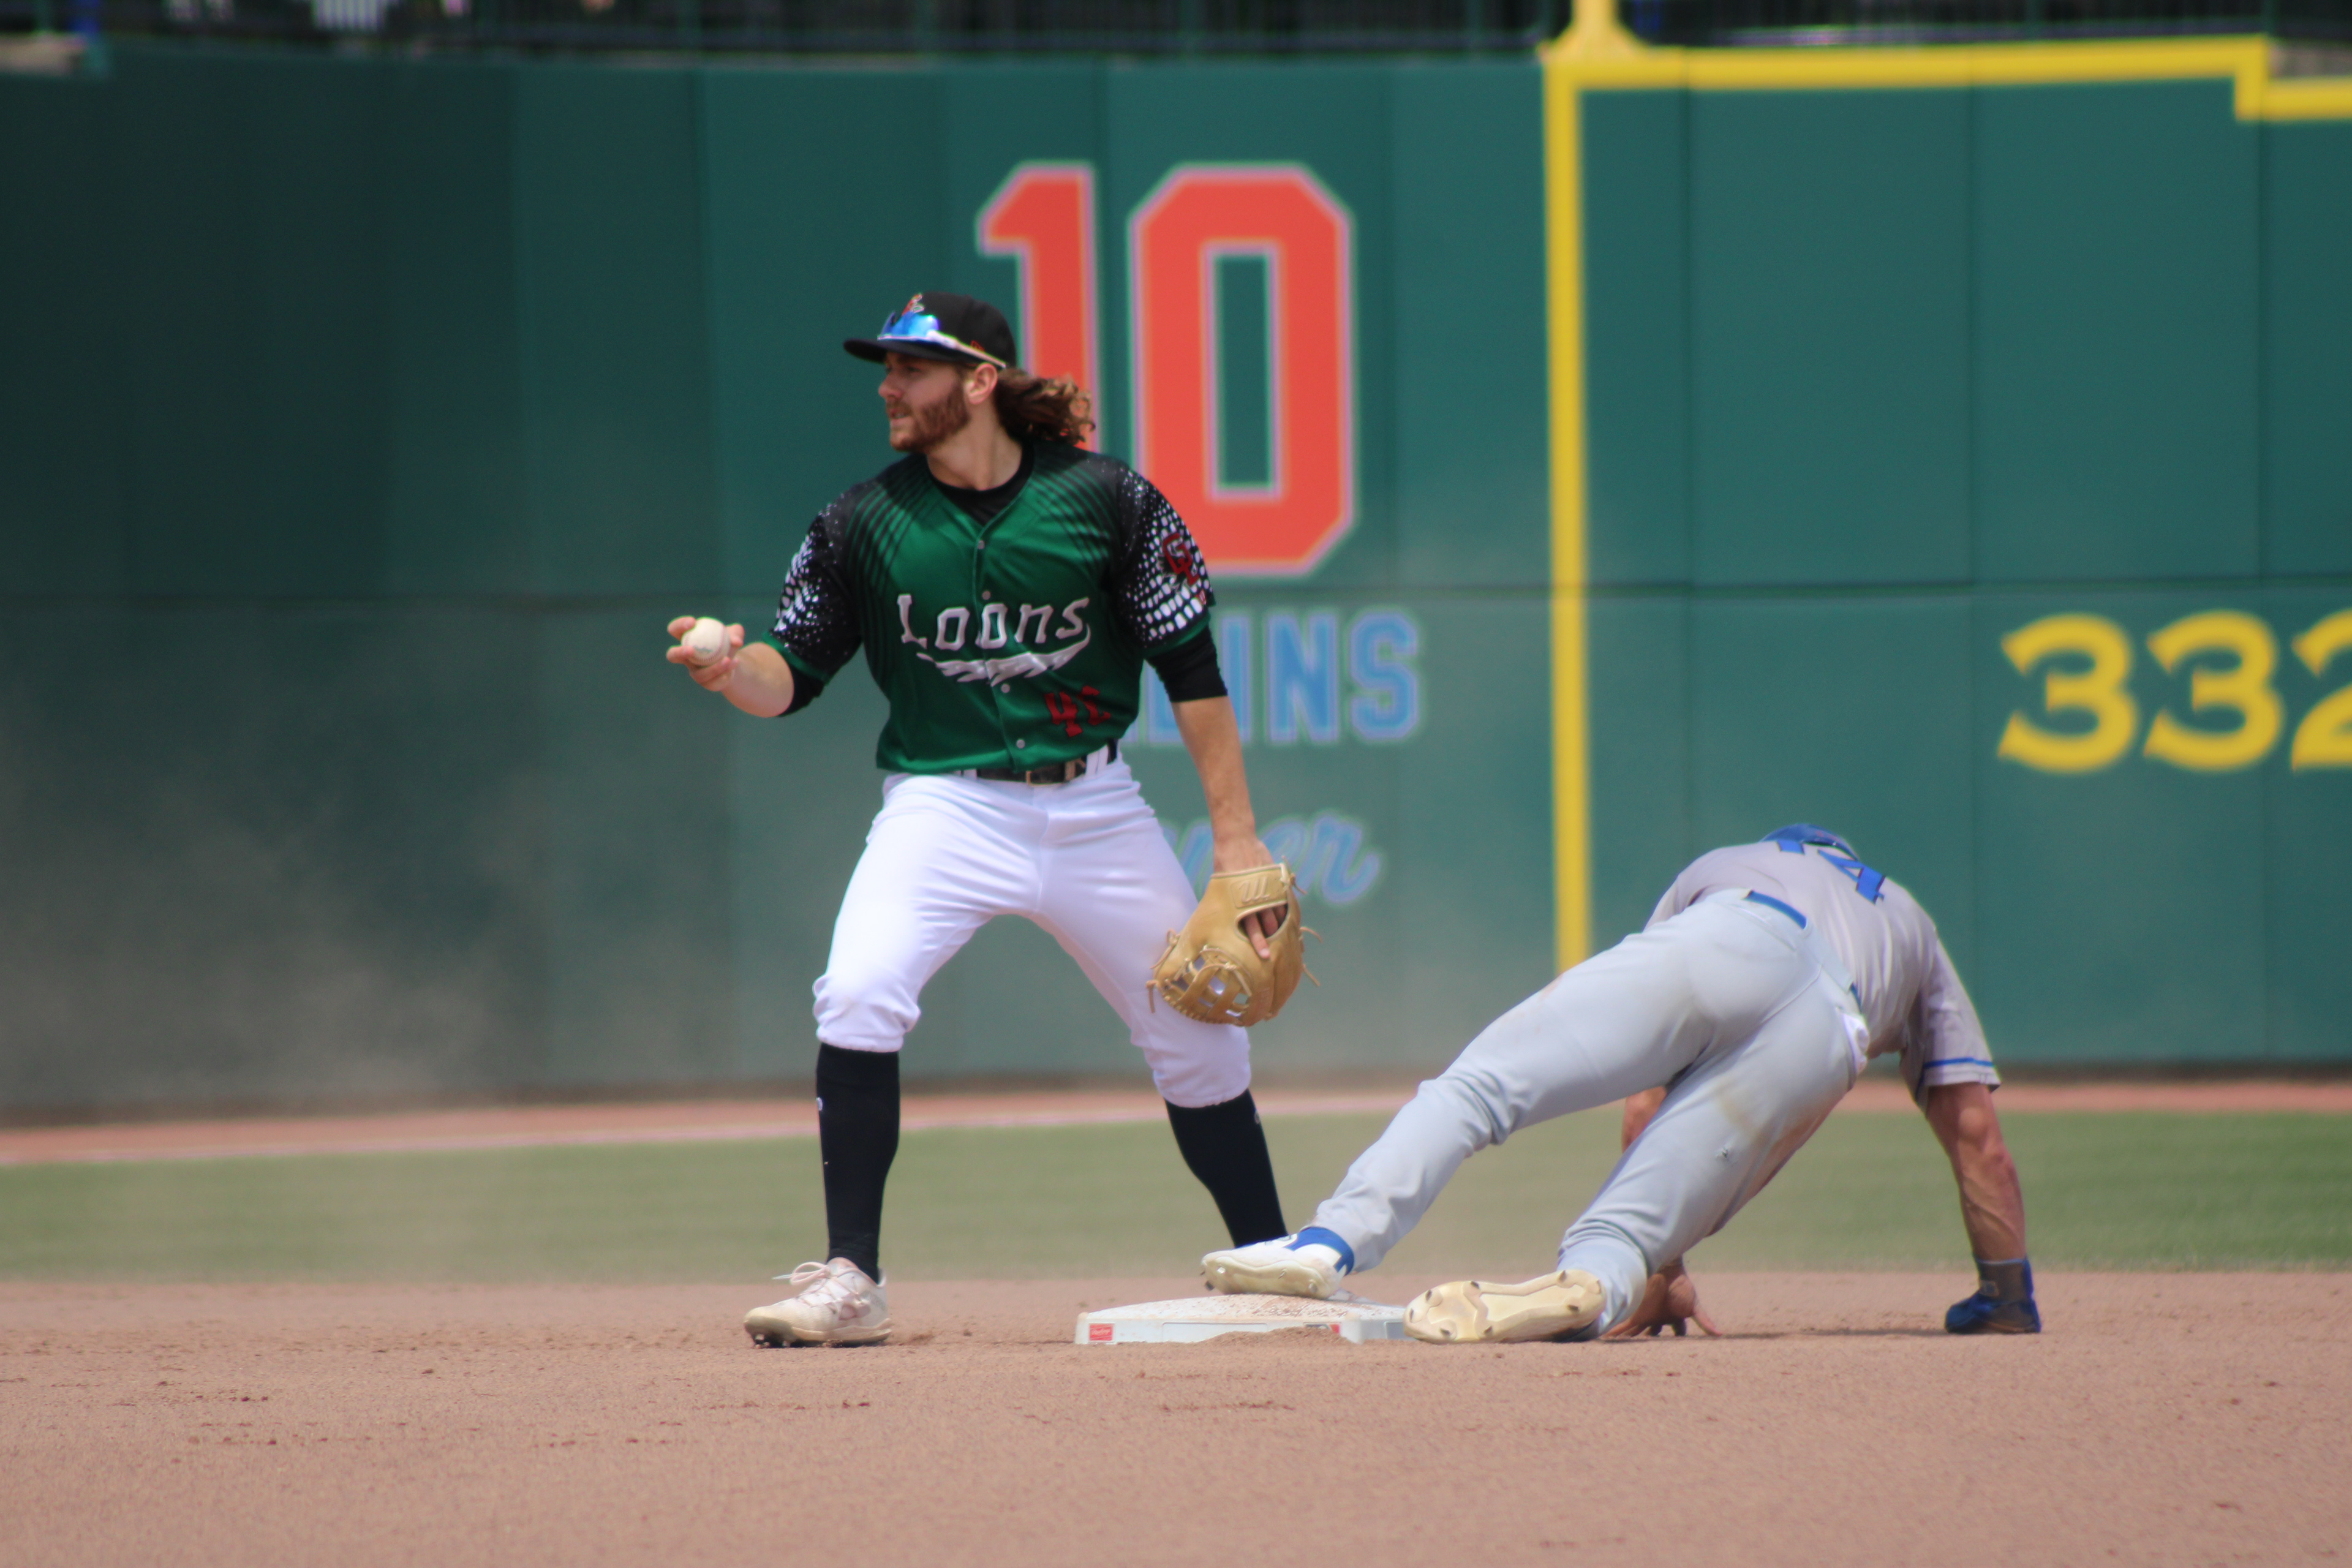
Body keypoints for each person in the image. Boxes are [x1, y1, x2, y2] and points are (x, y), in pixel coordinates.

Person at [668, 293, 1291, 1348]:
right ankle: (851, 1278)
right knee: (858, 993)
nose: (888, 388)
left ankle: (1275, 1265)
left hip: (1095, 806)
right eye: (886, 369)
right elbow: (792, 677)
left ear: (981, 380)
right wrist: (734, 669)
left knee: (1202, 1037)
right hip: (943, 806)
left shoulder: (1109, 501)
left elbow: (1192, 669)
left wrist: (1235, 837)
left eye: (910, 369)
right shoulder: (861, 522)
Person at [1199, 826, 2038, 1343]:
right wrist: (2005, 1296)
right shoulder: (1913, 929)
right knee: (1622, 1237)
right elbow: (1979, 1138)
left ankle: (1328, 1244)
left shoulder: (1732, 859)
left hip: (1731, 929)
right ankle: (1598, 1283)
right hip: (1829, 1028)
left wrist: (1671, 1263)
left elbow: (1647, 1095)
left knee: (1477, 1090)